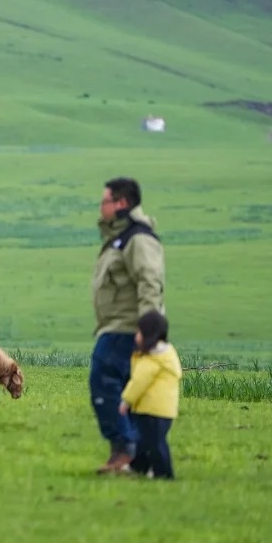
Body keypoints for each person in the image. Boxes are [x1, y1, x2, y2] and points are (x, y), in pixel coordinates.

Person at [90, 177, 164, 474]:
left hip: (127, 329)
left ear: (121, 203)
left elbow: (149, 283)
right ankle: (137, 458)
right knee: (126, 391)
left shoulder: (138, 239)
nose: (101, 207)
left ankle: (125, 449)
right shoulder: (121, 237)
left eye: (105, 201)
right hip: (117, 326)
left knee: (104, 381)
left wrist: (147, 330)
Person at [119, 311, 181, 479]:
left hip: (153, 410)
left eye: (139, 332)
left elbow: (139, 382)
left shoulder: (152, 359)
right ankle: (138, 467)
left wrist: (126, 401)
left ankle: (164, 473)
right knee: (145, 441)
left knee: (155, 444)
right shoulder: (167, 354)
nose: (136, 336)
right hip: (163, 410)